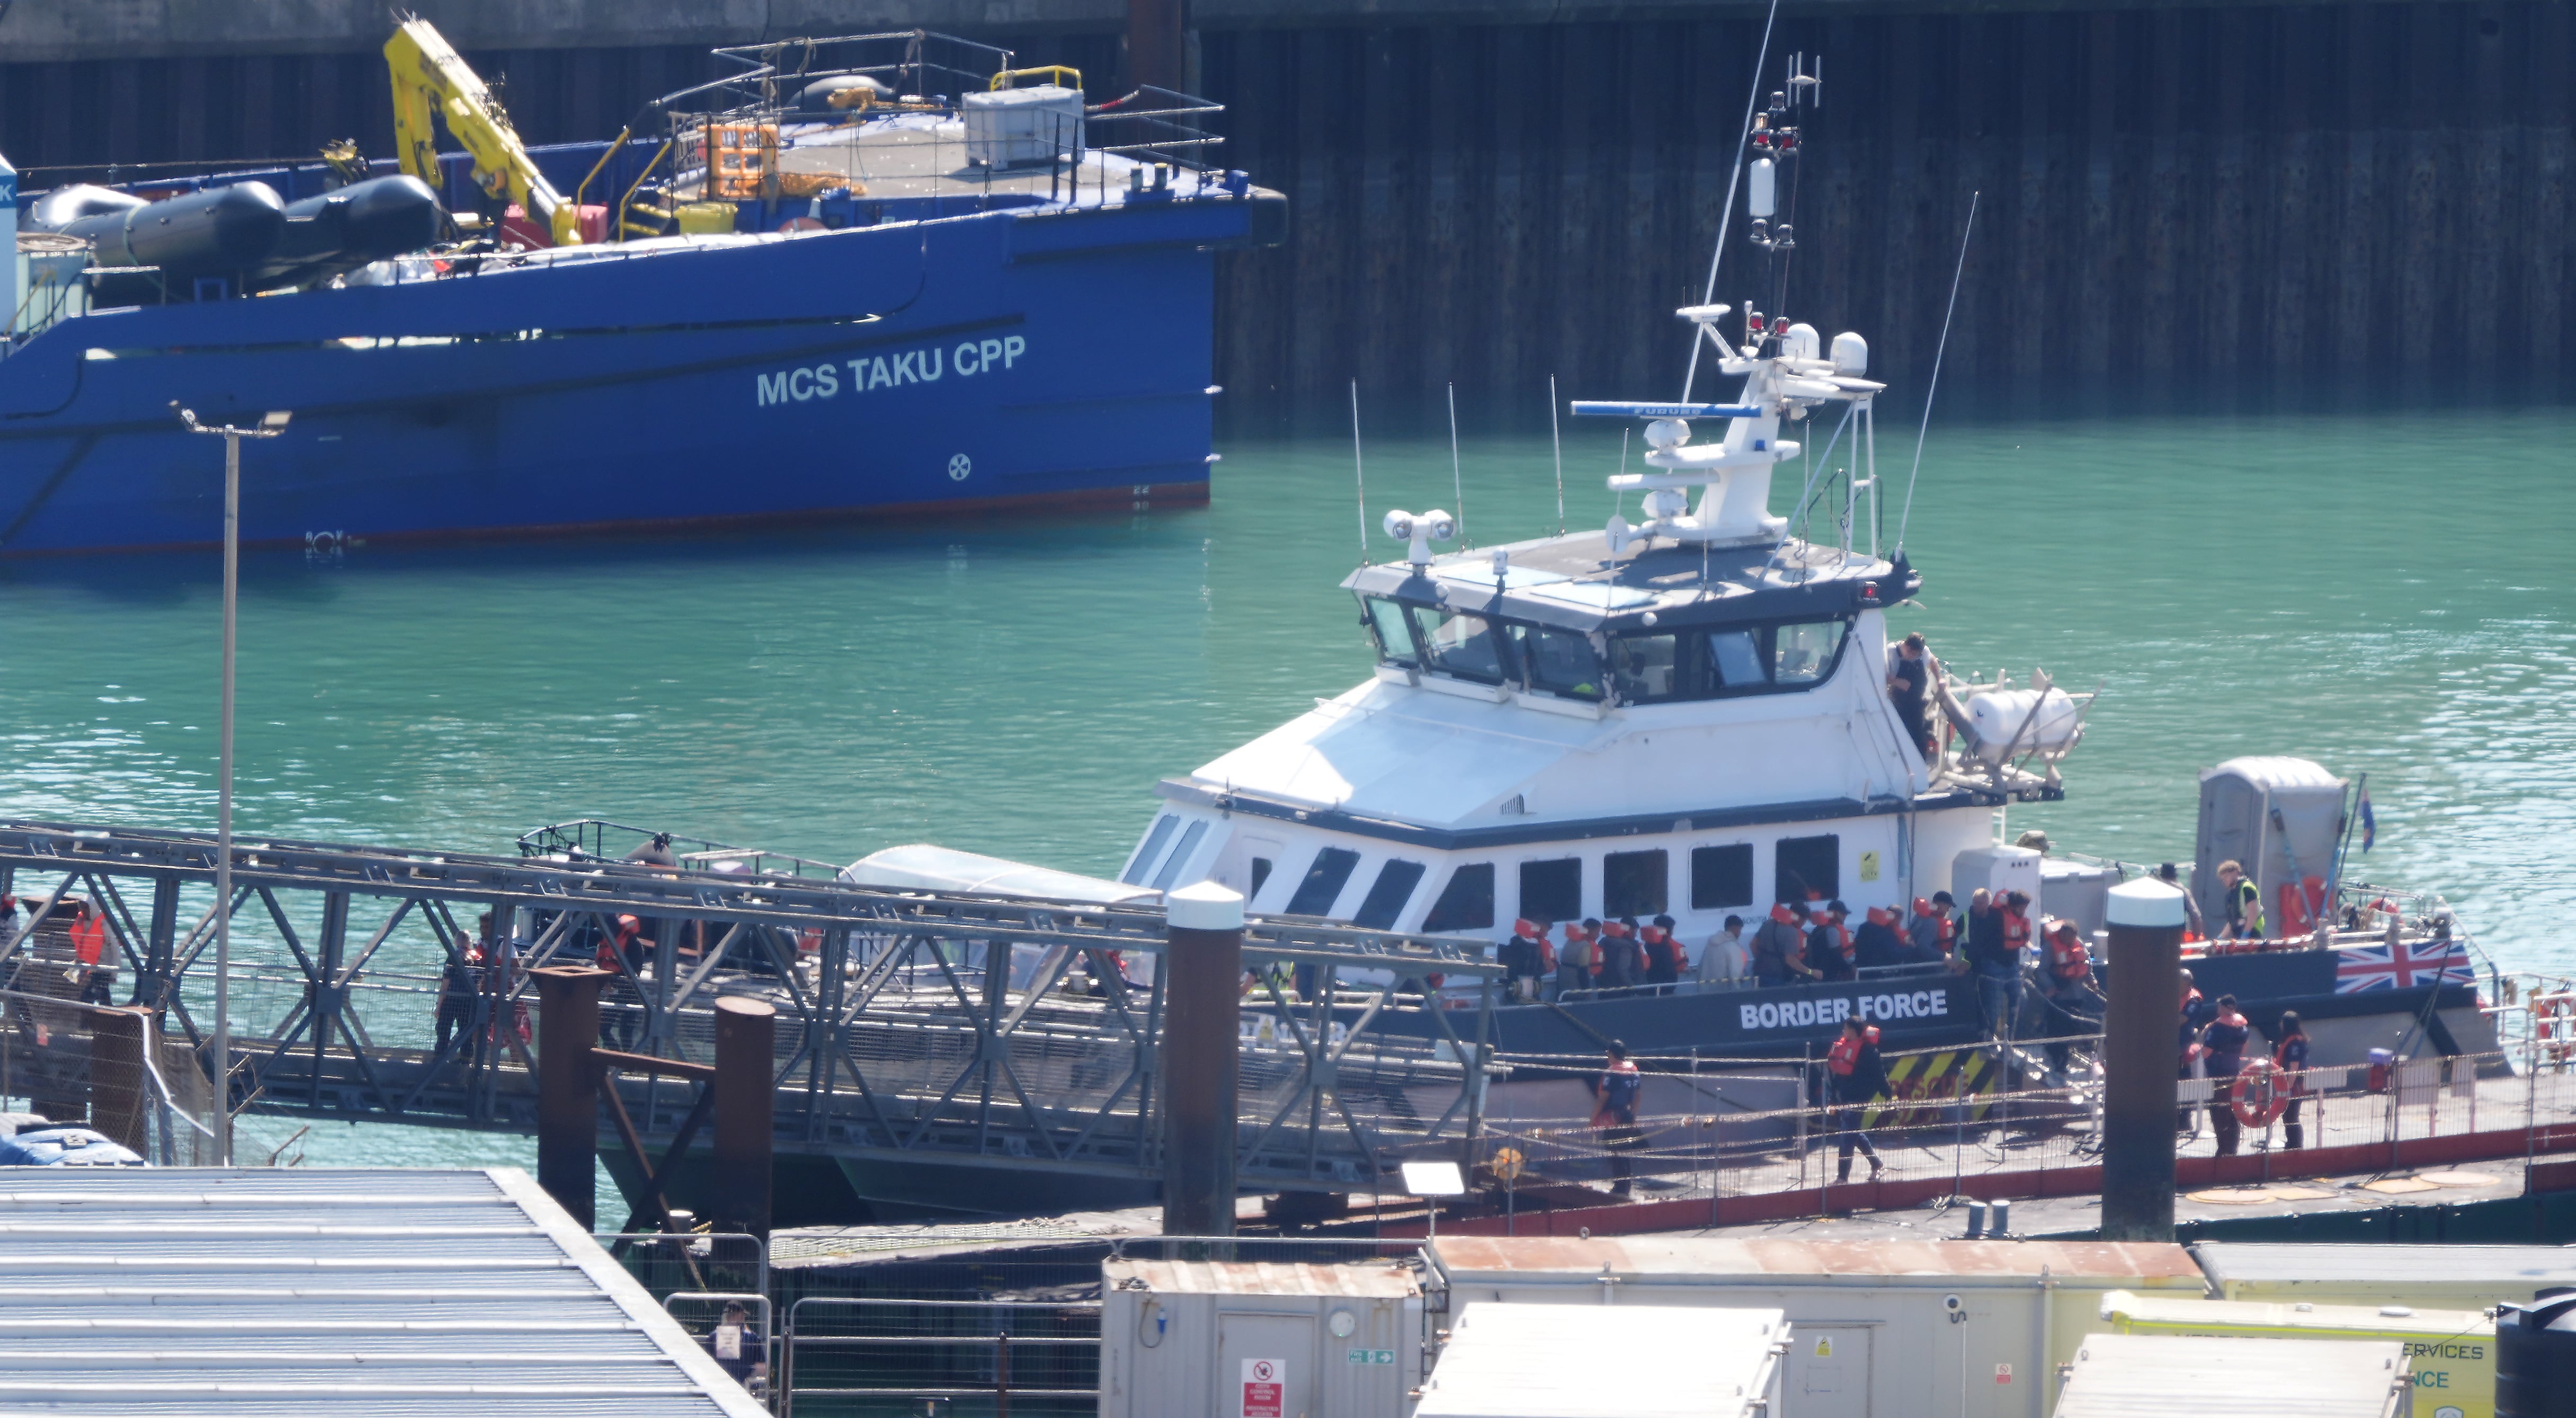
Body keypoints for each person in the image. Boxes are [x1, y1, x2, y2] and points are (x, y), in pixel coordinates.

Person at [1824, 1016, 1888, 1183]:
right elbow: (1838, 1075)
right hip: (1845, 1095)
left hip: (1860, 1097)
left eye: (1845, 1029)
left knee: (1847, 1135)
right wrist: (1833, 1096)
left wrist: (1889, 1095)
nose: (1843, 1032)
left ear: (1853, 1031)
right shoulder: (1845, 1047)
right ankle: (1876, 1163)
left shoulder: (1869, 1052)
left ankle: (1842, 1178)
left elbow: (1880, 1075)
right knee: (1853, 1132)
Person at [2040, 919, 2103, 1074]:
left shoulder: (2079, 945)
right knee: (2058, 1030)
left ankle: (2063, 1058)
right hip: (2059, 996)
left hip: (2076, 995)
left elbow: (2086, 965)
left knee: (2072, 1029)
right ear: (2061, 934)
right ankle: (2058, 1060)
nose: (2068, 941)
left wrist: (2092, 981)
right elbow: (2042, 970)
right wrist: (2050, 986)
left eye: (2071, 938)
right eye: (2066, 937)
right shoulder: (2050, 947)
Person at [1964, 889, 2022, 1041]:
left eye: (1980, 903)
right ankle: (1989, 1037)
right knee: (1993, 1007)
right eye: (1975, 903)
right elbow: (1976, 943)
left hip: (2012, 966)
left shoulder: (2012, 919)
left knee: (2021, 999)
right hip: (1992, 966)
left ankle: (2010, 1037)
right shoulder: (1985, 918)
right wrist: (1966, 962)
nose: (1976, 906)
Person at [2198, 993, 2252, 1155]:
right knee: (2233, 1109)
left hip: (2218, 1074)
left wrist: (2205, 1032)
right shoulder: (2243, 1028)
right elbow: (2243, 1049)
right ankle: (2233, 1146)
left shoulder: (2217, 1028)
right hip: (2234, 1072)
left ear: (2223, 1007)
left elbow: (2206, 1052)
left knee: (2218, 1111)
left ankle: (2223, 1149)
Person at [1590, 1041, 1645, 1197]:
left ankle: (1620, 1187)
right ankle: (1626, 1184)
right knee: (1624, 1151)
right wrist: (1633, 1116)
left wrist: (1592, 1120)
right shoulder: (1633, 1069)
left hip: (1613, 1118)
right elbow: (1638, 1095)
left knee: (1614, 1151)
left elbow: (1603, 1098)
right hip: (1627, 1115)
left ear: (1612, 1054)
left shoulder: (1612, 1072)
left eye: (1609, 1053)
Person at [1885, 630, 1938, 759]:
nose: (1913, 657)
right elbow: (1879, 676)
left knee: (1919, 737)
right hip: (1898, 703)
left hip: (1917, 703)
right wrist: (1896, 681)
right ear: (1906, 646)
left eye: (1916, 655)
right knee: (1901, 735)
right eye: (1911, 653)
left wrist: (1940, 679)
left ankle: (1920, 764)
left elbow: (1933, 662)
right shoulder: (1890, 652)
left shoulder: (1923, 653)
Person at [435, 929, 487, 1058]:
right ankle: (465, 1059)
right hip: (469, 1002)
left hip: (451, 1000)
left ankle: (440, 1058)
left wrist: (439, 1006)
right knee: (466, 1031)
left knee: (443, 1029)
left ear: (456, 941)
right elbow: (480, 982)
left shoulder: (453, 956)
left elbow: (446, 983)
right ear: (470, 942)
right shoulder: (478, 958)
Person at [2177, 969, 2215, 1133]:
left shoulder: (2194, 1000)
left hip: (2180, 1043)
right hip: (2168, 1041)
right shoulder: (2172, 994)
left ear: (2187, 984)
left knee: (2183, 1082)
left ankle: (2185, 1121)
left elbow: (2182, 1019)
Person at [701, 1300, 768, 1390]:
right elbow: (762, 1368)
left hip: (718, 1387)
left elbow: (705, 1366)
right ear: (740, 1316)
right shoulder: (752, 1338)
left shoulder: (713, 1337)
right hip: (745, 1388)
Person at [1750, 902, 1815, 986]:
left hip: (1759, 973)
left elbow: (1753, 945)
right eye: (1804, 920)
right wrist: (1811, 972)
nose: (1804, 923)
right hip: (1777, 977)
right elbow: (1790, 960)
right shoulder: (1791, 932)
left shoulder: (1768, 924)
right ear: (1799, 918)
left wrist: (1763, 961)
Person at [2273, 1011, 2312, 1150]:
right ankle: (2292, 1144)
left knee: (2291, 1117)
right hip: (2292, 1083)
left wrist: (2287, 1088)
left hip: (2294, 1085)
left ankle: (2295, 1145)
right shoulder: (2295, 1041)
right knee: (2289, 1117)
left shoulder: (2295, 1044)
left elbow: (2294, 1067)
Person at [1500, 918, 1550, 1003]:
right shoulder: (1534, 947)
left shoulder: (1511, 948)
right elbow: (1538, 969)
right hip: (1526, 991)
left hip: (1516, 989)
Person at [2155, 863, 2207, 940]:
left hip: (2153, 934)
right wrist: (2196, 937)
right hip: (2177, 935)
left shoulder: (2154, 889)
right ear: (2175, 876)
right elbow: (2196, 916)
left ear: (2162, 876)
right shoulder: (2183, 891)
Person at [1810, 901, 1857, 983]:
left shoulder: (1817, 930)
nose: (1845, 916)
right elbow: (1835, 955)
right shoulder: (1832, 931)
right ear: (1835, 913)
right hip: (1828, 978)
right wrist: (1849, 968)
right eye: (1843, 913)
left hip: (1818, 976)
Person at [2216, 859, 2264, 940]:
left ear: (2235, 872)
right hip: (2239, 933)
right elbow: (2232, 921)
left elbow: (2253, 912)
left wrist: (2246, 933)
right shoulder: (2231, 894)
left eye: (2226, 877)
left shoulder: (2247, 888)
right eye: (2223, 879)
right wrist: (2221, 938)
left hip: (2253, 931)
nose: (2224, 880)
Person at [1553, 920, 1599, 999]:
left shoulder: (1569, 941)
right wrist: (1586, 991)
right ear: (1590, 931)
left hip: (1563, 983)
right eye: (1597, 931)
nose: (1598, 934)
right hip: (1576, 986)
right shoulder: (1585, 945)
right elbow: (1583, 970)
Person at [1698, 915, 1749, 985]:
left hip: (1705, 990)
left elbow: (1701, 967)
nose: (1740, 933)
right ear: (1735, 928)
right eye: (1740, 930)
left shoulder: (1711, 943)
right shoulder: (1733, 947)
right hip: (1724, 992)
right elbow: (1735, 974)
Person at [1852, 906, 1908, 970]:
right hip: (1879, 973)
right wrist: (1910, 948)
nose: (1899, 924)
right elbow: (1895, 955)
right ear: (1895, 918)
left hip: (1862, 970)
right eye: (1900, 920)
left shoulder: (1863, 927)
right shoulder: (1886, 933)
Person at [1596, 917, 1641, 991]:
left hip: (1603, 985)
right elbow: (1623, 969)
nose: (1635, 935)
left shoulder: (1603, 941)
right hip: (1621, 988)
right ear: (1630, 930)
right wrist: (1632, 987)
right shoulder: (1626, 946)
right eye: (1635, 932)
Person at [1908, 894, 1955, 962]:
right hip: (1926, 968)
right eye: (1948, 907)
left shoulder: (1918, 917)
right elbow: (1923, 948)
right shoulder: (1931, 922)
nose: (1948, 910)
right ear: (1940, 904)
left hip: (1913, 965)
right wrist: (1944, 956)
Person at [1639, 915, 1683, 987]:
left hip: (1651, 983)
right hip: (1665, 987)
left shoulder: (1648, 944)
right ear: (1668, 930)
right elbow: (1669, 970)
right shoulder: (1665, 947)